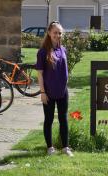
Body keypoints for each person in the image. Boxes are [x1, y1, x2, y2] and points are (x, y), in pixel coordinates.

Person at [36, 21, 73, 157]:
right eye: (55, 32)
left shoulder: (63, 49)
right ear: (49, 33)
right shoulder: (42, 52)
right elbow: (39, 74)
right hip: (48, 92)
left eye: (60, 33)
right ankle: (50, 148)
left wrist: (65, 82)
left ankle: (65, 148)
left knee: (63, 119)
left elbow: (64, 69)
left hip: (63, 91)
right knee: (49, 119)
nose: (58, 35)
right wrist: (42, 92)